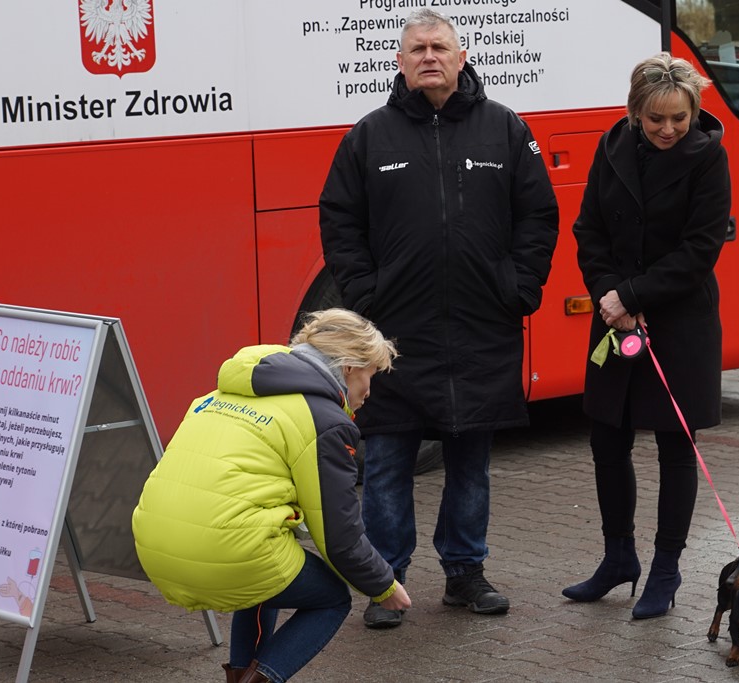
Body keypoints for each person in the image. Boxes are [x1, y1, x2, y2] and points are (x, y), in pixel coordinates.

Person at [319, 8, 558, 629]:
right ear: (399, 62)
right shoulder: (369, 137)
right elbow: (339, 220)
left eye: (439, 47)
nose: (429, 56)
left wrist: (519, 285)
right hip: (396, 337)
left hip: (483, 330)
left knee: (470, 463)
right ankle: (387, 581)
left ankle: (465, 573)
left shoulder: (504, 129)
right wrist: (367, 295)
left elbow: (538, 214)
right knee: (389, 461)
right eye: (417, 48)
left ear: (461, 56)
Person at [131, 309, 411, 683]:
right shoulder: (324, 420)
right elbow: (339, 535)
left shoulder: (219, 392)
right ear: (348, 368)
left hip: (153, 544)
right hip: (224, 549)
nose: (369, 390)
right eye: (370, 374)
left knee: (266, 578)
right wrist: (383, 586)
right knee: (332, 598)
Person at [564, 53, 731, 619]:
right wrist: (612, 296)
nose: (668, 129)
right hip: (616, 318)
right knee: (606, 439)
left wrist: (632, 296)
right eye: (656, 118)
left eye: (679, 118)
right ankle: (618, 559)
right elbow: (588, 228)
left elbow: (700, 250)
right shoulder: (611, 148)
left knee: (674, 448)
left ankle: (665, 569)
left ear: (693, 112)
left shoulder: (709, 159)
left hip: (679, 323)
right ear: (635, 111)